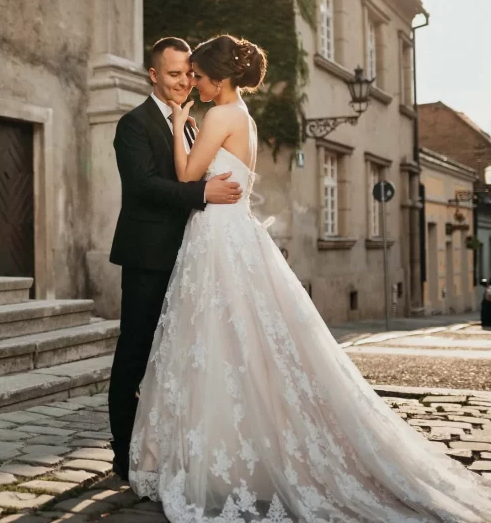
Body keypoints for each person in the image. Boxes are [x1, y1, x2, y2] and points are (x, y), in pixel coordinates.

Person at [128, 34, 491, 521]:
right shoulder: (246, 119)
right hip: (234, 235)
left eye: (199, 76)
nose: (192, 82)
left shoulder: (216, 116)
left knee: (215, 344)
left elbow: (186, 174)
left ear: (221, 77)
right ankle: (237, 455)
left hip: (217, 239)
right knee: (244, 348)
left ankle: (219, 457)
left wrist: (177, 125)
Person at [106, 36, 243, 482]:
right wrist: (203, 192)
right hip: (147, 257)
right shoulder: (133, 124)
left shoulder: (189, 122)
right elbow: (143, 185)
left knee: (175, 357)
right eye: (173, 74)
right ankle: (124, 455)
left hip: (189, 259)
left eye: (189, 73)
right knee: (136, 354)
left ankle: (165, 447)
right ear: (153, 75)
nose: (184, 81)